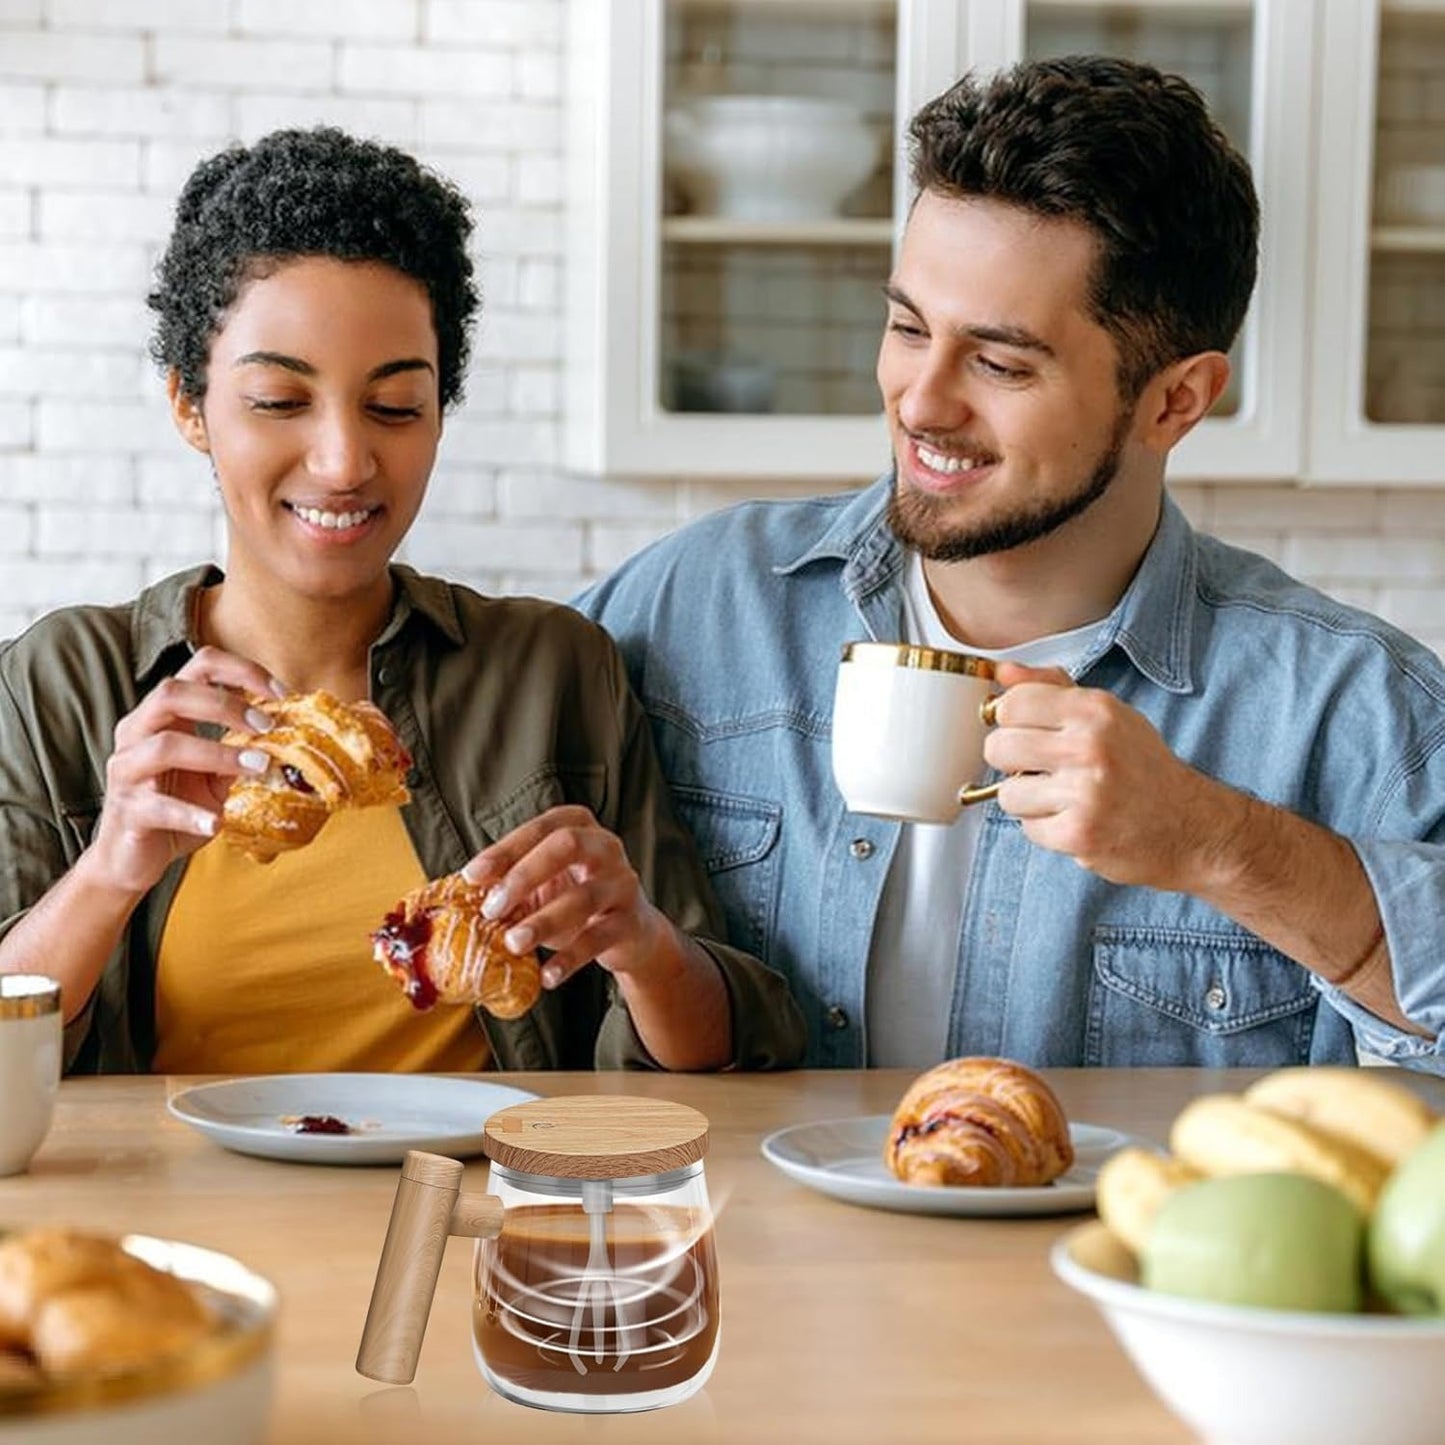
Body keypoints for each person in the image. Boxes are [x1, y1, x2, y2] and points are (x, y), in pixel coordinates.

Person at [576, 56, 1445, 1074]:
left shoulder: (1355, 711)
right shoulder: (699, 599)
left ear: (1175, 400)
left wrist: (1213, 841)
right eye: (906, 327)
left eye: (998, 362)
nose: (919, 400)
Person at [0, 127, 804, 1077]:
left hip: (477, 1212)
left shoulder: (549, 669)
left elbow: (732, 1054)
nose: (344, 462)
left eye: (394, 407)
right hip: (168, 1225)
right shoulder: (67, 682)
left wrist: (640, 942)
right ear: (188, 404)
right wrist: (110, 869)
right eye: (277, 400)